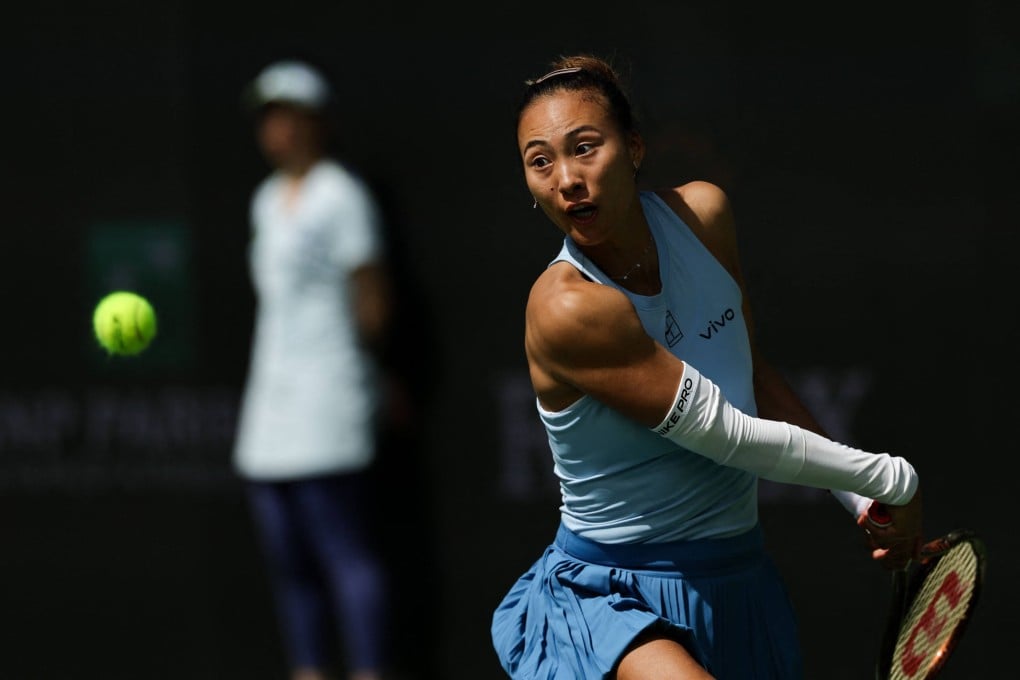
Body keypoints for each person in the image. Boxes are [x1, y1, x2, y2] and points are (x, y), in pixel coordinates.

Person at [490, 54, 924, 680]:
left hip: (737, 581)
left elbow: (751, 376)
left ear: (634, 148)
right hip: (613, 598)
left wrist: (857, 498)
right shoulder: (566, 307)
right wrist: (891, 478)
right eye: (541, 161)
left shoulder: (704, 217)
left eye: (585, 148)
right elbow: (725, 434)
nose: (566, 178)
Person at [233, 58, 393, 680]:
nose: (277, 130)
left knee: (347, 556)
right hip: (268, 412)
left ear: (316, 123)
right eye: (268, 118)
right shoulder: (266, 201)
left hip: (330, 405)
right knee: (290, 565)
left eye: (289, 116)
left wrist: (371, 374)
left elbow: (373, 301)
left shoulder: (341, 195)